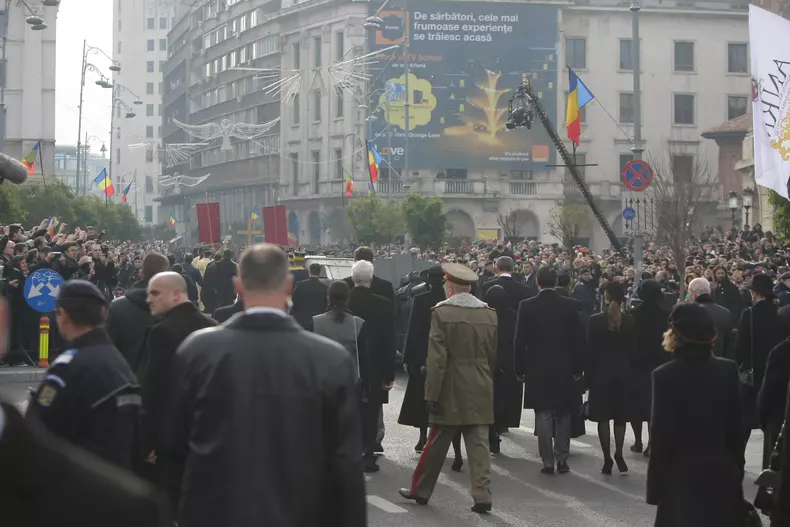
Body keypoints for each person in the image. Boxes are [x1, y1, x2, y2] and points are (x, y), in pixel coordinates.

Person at [165, 244, 366, 527]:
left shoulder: (198, 351)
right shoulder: (331, 360)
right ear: (288, 285)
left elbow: (175, 449)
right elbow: (346, 465)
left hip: (213, 513)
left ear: (238, 284)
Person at [399, 263, 497, 514]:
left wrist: (431, 393)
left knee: (436, 442)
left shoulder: (441, 313)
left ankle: (420, 490)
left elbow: (437, 359)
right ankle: (482, 493)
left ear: (451, 287)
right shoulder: (489, 313)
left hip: (451, 384)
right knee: (479, 444)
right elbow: (492, 354)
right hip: (480, 381)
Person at [647, 303, 745, 527]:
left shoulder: (665, 376)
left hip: (680, 480)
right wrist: (736, 471)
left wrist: (654, 489)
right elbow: (736, 431)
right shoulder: (728, 370)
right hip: (722, 473)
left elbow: (661, 437)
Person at [26, 280, 141, 470]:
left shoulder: (69, 366)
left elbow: (37, 430)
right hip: (114, 479)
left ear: (62, 314)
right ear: (102, 314)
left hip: (76, 480)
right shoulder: (117, 361)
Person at [141, 272, 216, 494]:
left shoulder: (162, 332)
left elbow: (154, 389)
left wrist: (147, 440)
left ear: (175, 295)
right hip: (206, 432)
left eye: (155, 293)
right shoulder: (212, 326)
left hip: (172, 435)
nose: (149, 299)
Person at [515, 266, 584, 474]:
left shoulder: (526, 306)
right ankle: (562, 458)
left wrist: (519, 367)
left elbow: (520, 340)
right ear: (556, 282)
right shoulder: (571, 306)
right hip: (564, 366)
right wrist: (579, 367)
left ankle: (547, 461)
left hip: (537, 366)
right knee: (563, 413)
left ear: (537, 282)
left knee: (543, 413)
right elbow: (578, 340)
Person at [348, 260, 395, 473]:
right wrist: (389, 372)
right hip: (375, 365)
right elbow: (389, 340)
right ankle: (368, 453)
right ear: (371, 278)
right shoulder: (384, 304)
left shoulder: (344, 300)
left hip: (347, 363)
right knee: (371, 410)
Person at [586, 282, 637, 474]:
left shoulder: (595, 321)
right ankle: (619, 454)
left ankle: (607, 457)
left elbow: (590, 352)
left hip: (601, 374)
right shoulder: (630, 321)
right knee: (620, 417)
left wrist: (587, 379)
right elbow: (634, 351)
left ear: (605, 297)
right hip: (623, 373)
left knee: (603, 418)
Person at [398, 266, 446, 451]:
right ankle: (437, 437)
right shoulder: (446, 300)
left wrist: (407, 358)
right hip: (442, 354)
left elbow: (413, 330)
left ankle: (422, 437)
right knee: (441, 397)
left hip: (421, 354)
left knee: (420, 398)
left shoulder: (420, 299)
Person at [736, 273, 788, 438]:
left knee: (746, 421)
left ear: (755, 292)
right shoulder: (780, 314)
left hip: (753, 373)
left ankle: (739, 459)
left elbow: (740, 346)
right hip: (776, 372)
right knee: (773, 422)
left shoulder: (748, 314)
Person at [106, 253, 171, 372]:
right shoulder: (175, 308)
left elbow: (108, 350)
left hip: (127, 378)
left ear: (141, 274)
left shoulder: (117, 307)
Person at [629, 279, 670, 456]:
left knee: (637, 406)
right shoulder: (666, 315)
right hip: (660, 364)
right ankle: (652, 443)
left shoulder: (634, 315)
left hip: (638, 365)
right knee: (656, 406)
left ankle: (637, 441)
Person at [484, 285, 522, 453]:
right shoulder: (513, 316)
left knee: (488, 400)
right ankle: (500, 427)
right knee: (504, 399)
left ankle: (491, 432)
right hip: (508, 363)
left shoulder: (483, 315)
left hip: (486, 362)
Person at [687, 277, 735, 360]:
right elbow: (729, 345)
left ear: (693, 293)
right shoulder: (725, 313)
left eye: (688, 293)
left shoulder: (686, 313)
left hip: (692, 362)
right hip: (720, 362)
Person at [291, 263, 328, 329]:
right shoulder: (324, 288)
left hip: (301, 320)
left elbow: (293, 303)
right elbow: (326, 306)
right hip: (317, 322)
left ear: (309, 271)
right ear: (319, 273)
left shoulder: (300, 285)